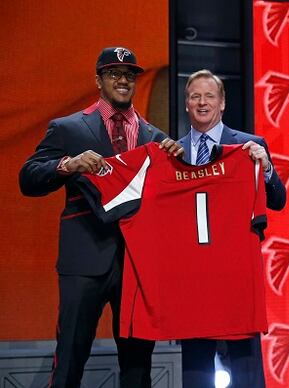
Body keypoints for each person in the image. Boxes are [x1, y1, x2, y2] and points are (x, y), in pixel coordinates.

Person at [19, 46, 183, 388]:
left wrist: (178, 161)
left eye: (129, 75)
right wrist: (68, 164)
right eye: (114, 74)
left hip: (137, 265)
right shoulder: (68, 129)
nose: (123, 81)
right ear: (99, 80)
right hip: (84, 259)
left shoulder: (156, 139)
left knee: (138, 366)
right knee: (70, 359)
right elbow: (29, 178)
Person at [178, 69, 286, 387]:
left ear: (222, 103)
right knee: (196, 358)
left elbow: (278, 200)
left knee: (245, 360)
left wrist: (265, 168)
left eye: (209, 96)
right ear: (186, 104)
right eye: (195, 96)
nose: (202, 103)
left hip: (237, 269)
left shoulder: (249, 146)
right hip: (193, 271)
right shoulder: (173, 152)